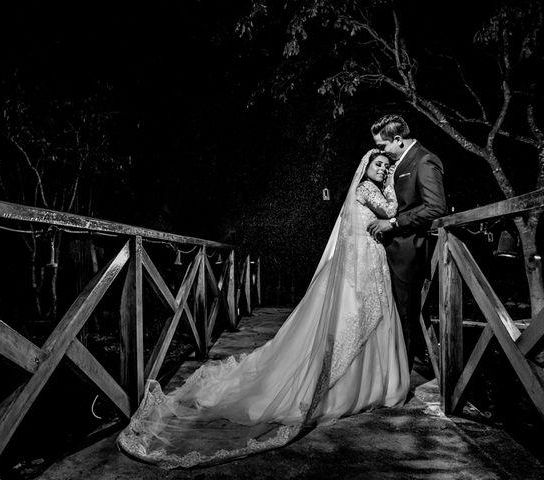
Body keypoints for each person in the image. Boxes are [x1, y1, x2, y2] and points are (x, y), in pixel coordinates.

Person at [118, 149, 409, 469]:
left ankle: (368, 386)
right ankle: (361, 389)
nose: (382, 169)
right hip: (361, 270)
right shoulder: (368, 190)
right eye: (378, 164)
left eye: (386, 166)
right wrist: (394, 181)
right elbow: (392, 209)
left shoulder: (361, 191)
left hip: (366, 267)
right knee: (349, 326)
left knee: (352, 326)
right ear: (365, 166)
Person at [367, 114, 447, 371]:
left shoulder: (424, 160)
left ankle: (403, 376)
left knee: (405, 315)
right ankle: (388, 370)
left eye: (382, 146)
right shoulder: (398, 162)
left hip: (408, 250)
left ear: (398, 139)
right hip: (390, 249)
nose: (380, 151)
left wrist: (392, 223)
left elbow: (436, 208)